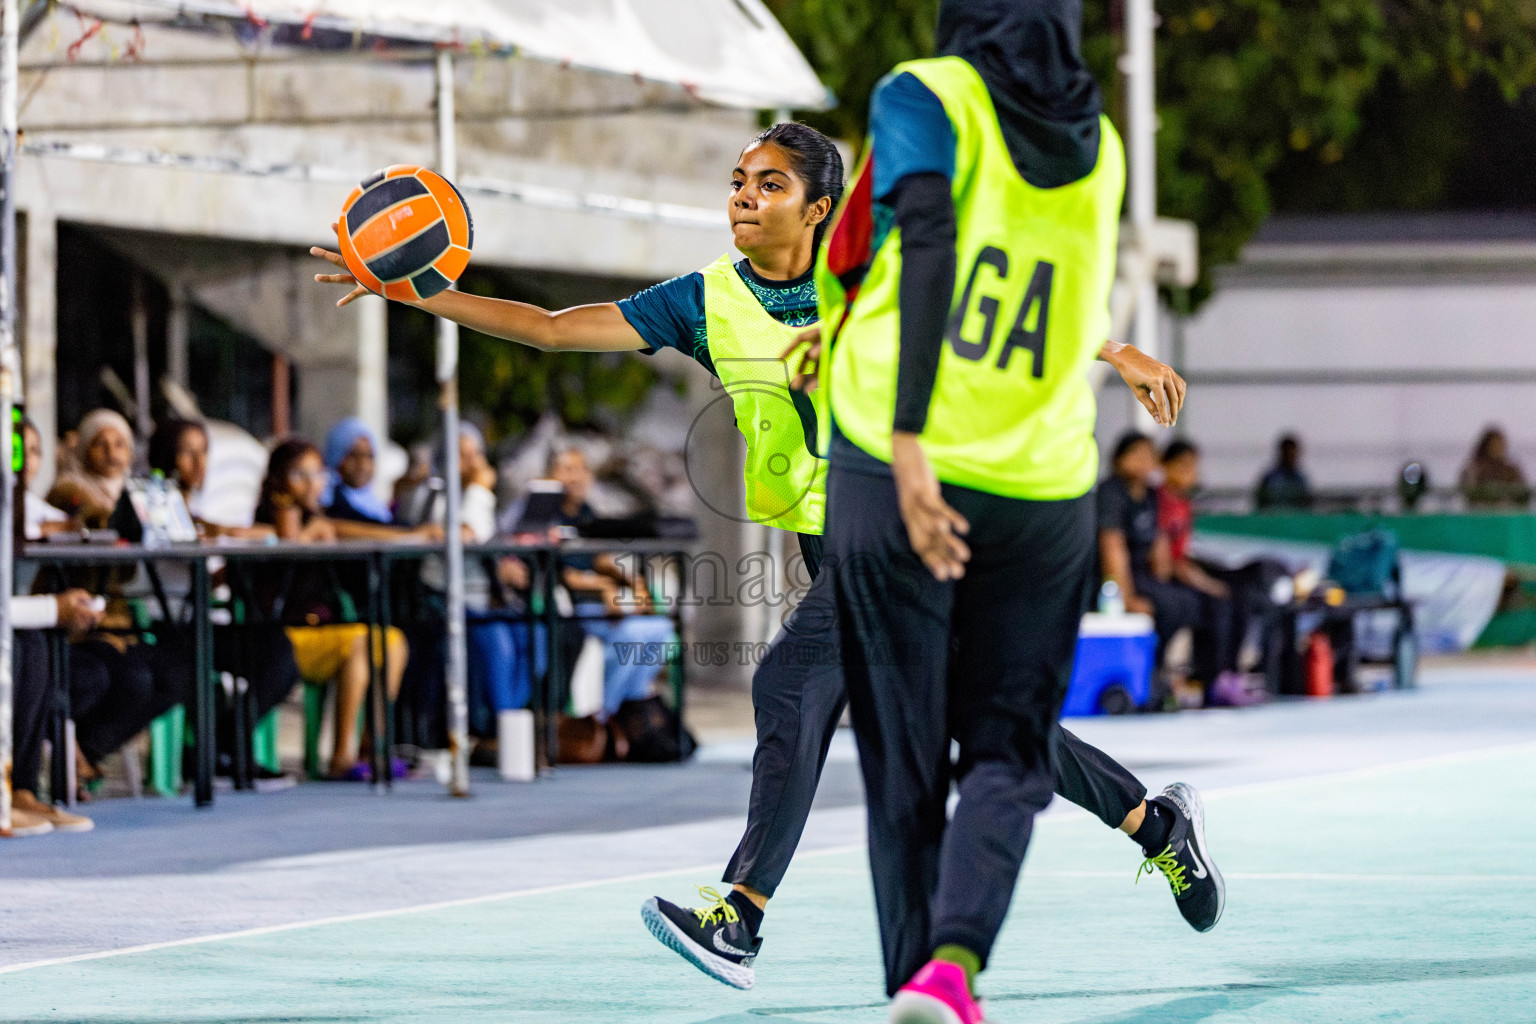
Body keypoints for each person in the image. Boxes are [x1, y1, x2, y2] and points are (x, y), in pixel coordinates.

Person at [311, 118, 1208, 993]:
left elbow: (997, 295)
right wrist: (419, 291)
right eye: (738, 183)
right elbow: (552, 326)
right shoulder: (706, 299)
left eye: (769, 184)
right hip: (835, 543)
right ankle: (1156, 822)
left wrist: (1119, 349)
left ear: (820, 207)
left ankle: (739, 914)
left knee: (788, 683)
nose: (745, 197)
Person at [791, 1, 1219, 1015]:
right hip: (1039, 482)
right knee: (1002, 746)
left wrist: (902, 439)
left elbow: (932, 245)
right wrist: (1116, 353)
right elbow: (1037, 289)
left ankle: (771, 917)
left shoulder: (926, 96)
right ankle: (953, 967)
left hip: (900, 471)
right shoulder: (1101, 144)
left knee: (877, 740)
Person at [148, 418, 300, 787]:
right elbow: (175, 558)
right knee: (265, 652)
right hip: (165, 624)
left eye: (204, 453)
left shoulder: (193, 508)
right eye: (188, 452)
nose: (199, 464)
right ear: (167, 455)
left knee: (278, 651)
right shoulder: (152, 501)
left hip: (201, 619)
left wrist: (225, 547)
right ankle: (220, 749)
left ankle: (225, 742)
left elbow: (267, 536)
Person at [253, 439, 409, 781]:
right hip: (284, 637)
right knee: (360, 645)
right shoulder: (266, 522)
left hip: (321, 629)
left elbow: (352, 531)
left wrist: (412, 535)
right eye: (300, 474)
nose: (312, 483)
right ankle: (341, 756)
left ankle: (373, 747)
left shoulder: (319, 519)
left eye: (317, 474)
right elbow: (281, 552)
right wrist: (306, 536)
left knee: (393, 642)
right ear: (279, 480)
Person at [548, 446, 675, 721]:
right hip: (570, 608)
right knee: (630, 638)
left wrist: (633, 584)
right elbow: (562, 575)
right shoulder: (548, 516)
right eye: (567, 469)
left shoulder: (587, 512)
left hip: (602, 606)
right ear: (551, 475)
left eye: (581, 469)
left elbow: (601, 561)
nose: (576, 477)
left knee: (661, 630)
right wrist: (605, 589)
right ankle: (607, 715)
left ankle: (632, 708)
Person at [1159, 439, 1262, 707]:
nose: (1190, 473)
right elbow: (1169, 560)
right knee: (1217, 603)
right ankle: (1213, 681)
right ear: (1164, 466)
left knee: (1239, 595)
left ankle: (1229, 675)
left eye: (1193, 467)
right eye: (1182, 466)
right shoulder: (1158, 501)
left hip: (1182, 570)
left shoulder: (1183, 505)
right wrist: (1205, 583)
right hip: (1164, 577)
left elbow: (1183, 552)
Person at [48, 409, 134, 526]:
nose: (111, 453)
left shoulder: (138, 492)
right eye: (100, 444)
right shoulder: (66, 493)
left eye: (119, 444)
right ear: (84, 449)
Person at [1459, 426, 1530, 508]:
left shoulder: (1510, 469)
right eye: (1494, 444)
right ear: (1486, 445)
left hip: (1506, 512)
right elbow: (1468, 490)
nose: (1498, 448)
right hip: (1480, 511)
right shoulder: (1474, 468)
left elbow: (1522, 492)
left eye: (1500, 444)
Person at [1255, 433, 1312, 510]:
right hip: (1273, 518)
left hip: (1295, 519)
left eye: (1293, 454)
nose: (1290, 457)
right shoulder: (1270, 478)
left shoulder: (1301, 480)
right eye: (1288, 454)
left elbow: (1307, 504)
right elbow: (1260, 503)